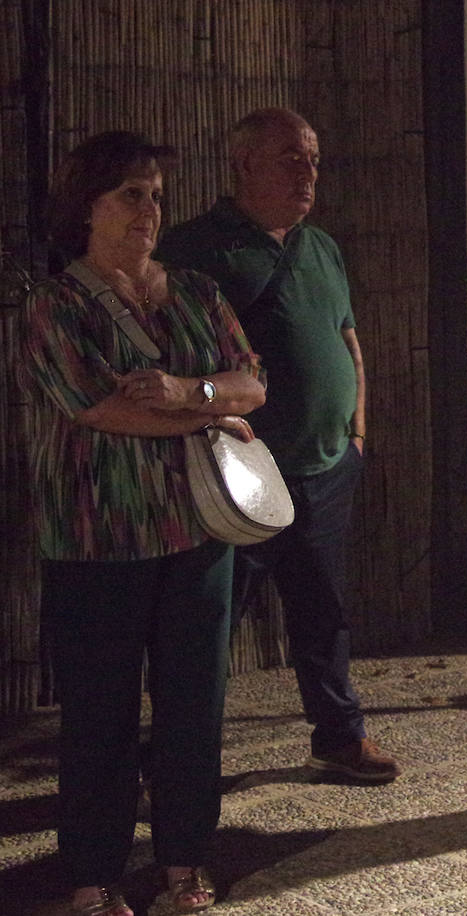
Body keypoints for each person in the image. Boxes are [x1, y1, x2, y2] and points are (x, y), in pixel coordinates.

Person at [22, 131, 266, 915]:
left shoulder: (195, 291)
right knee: (100, 713)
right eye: (130, 193)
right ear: (85, 207)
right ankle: (93, 879)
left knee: (196, 705)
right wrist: (212, 415)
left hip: (198, 531)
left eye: (156, 194)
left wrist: (192, 395)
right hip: (99, 536)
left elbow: (251, 383)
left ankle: (183, 866)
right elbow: (98, 406)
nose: (149, 210)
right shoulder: (52, 304)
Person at [157, 108, 399, 783]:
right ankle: (177, 755)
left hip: (325, 468)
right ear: (243, 165)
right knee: (211, 620)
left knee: (324, 611)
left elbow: (347, 336)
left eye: (313, 159)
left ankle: (339, 735)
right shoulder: (196, 248)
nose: (307, 172)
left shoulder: (321, 247)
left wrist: (356, 432)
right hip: (243, 476)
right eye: (290, 157)